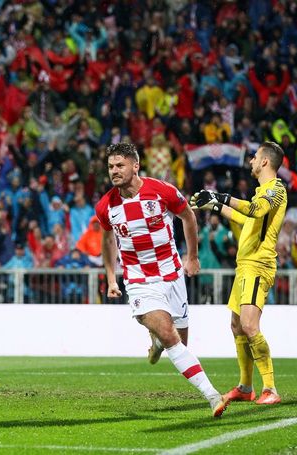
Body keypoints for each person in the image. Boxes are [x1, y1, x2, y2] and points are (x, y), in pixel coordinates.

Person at [97, 142, 228, 418]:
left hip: (171, 275)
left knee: (180, 342)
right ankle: (212, 395)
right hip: (139, 281)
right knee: (171, 337)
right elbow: (108, 240)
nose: (114, 171)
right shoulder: (106, 206)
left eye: (120, 165)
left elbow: (188, 217)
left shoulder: (162, 191)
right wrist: (111, 278)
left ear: (135, 165)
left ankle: (156, 341)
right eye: (110, 166)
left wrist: (192, 257)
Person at [190, 141, 287, 406]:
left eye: (255, 157)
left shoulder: (276, 190)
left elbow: (255, 211)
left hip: (259, 264)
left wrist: (222, 197)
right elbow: (247, 219)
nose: (252, 161)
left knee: (249, 325)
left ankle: (271, 388)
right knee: (236, 326)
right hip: (244, 265)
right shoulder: (261, 191)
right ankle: (246, 387)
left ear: (265, 161)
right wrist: (213, 204)